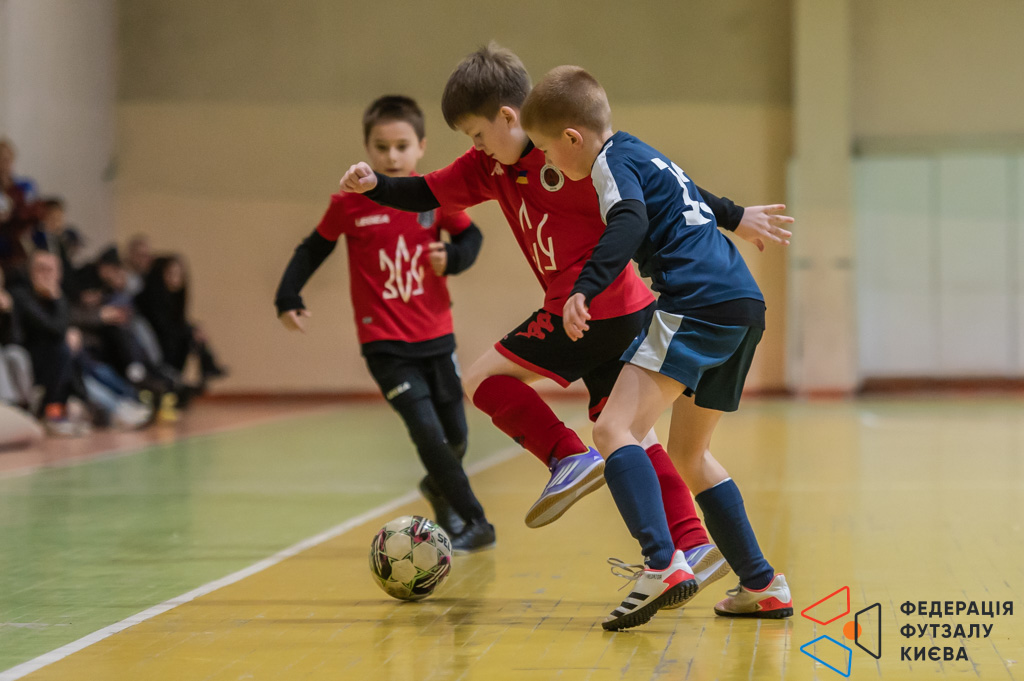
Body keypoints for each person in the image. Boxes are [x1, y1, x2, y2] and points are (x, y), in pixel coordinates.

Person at [339, 44, 790, 613]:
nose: (474, 147)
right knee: (661, 443)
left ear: (519, 121)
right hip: (717, 303)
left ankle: (608, 503)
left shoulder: (582, 160)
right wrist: (375, 187)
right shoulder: (502, 164)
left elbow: (633, 209)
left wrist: (585, 286)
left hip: (613, 305)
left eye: (477, 133)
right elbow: (670, 185)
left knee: (506, 389)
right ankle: (729, 565)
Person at [521, 65, 794, 629]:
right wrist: (736, 216)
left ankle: (661, 564)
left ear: (572, 137)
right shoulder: (640, 151)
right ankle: (763, 584)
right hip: (742, 305)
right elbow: (690, 191)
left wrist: (584, 287)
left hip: (697, 303)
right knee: (690, 456)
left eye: (547, 150)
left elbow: (627, 220)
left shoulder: (609, 165)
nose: (547, 161)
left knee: (611, 430)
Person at [275, 95, 494, 553]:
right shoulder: (349, 204)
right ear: (367, 148)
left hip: (437, 336)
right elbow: (313, 248)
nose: (392, 156)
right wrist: (288, 295)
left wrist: (453, 257)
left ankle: (438, 486)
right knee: (428, 434)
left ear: (421, 147)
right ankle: (476, 521)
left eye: (401, 146)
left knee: (456, 437)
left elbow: (471, 236)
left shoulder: (433, 197)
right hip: (385, 345)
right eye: (381, 147)